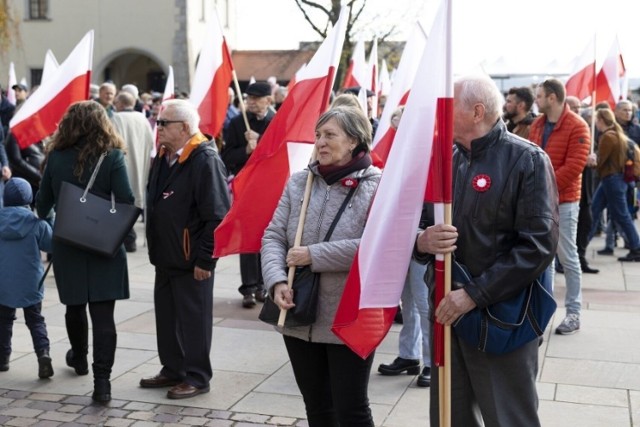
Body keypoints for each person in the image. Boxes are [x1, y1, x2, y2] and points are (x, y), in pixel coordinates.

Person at [415, 75, 559, 426]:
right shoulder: (445, 159)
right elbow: (417, 223)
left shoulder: (527, 160)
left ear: (477, 111)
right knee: (450, 415)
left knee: (507, 416)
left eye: (448, 106)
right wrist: (422, 241)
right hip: (447, 312)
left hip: (503, 317)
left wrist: (474, 295)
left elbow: (538, 246)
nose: (440, 113)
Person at [261, 106, 382, 426]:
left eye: (330, 135)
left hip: (348, 316)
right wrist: (276, 282)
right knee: (317, 407)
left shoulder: (377, 186)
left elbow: (378, 247)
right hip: (298, 310)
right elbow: (273, 236)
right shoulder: (300, 181)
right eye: (318, 135)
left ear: (355, 141)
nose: (320, 142)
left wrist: (315, 255)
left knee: (352, 409)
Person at [36, 101, 135, 402]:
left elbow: (42, 207)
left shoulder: (55, 156)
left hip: (68, 244)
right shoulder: (113, 156)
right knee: (104, 316)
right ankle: (102, 383)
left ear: (68, 124)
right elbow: (128, 201)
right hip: (105, 244)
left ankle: (78, 357)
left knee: (74, 306)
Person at [141, 99, 230, 399]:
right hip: (165, 256)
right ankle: (173, 368)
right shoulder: (164, 156)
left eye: (164, 123)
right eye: (159, 122)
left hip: (192, 259)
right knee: (167, 319)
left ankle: (197, 376)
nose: (159, 127)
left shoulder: (204, 159)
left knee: (194, 321)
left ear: (184, 127)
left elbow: (217, 215)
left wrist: (206, 259)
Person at [529, 78, 590, 335]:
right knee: (545, 259)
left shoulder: (577, 126)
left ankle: (573, 313)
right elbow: (530, 157)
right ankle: (544, 312)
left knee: (567, 256)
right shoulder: (537, 124)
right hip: (538, 201)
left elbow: (575, 167)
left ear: (552, 97)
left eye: (540, 96)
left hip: (563, 203)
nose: (537, 100)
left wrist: (544, 188)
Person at [222, 82, 275, 308]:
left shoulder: (276, 122)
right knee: (247, 236)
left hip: (270, 188)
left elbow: (281, 153)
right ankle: (248, 287)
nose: (251, 102)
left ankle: (264, 285)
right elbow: (225, 156)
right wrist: (246, 150)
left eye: (257, 98)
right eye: (249, 97)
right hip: (245, 187)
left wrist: (260, 143)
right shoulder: (236, 123)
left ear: (268, 100)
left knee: (268, 237)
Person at [0, 178, 53, 378]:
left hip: (3, 282)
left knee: (4, 321)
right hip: (31, 282)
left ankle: (3, 358)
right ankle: (43, 354)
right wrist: (49, 220)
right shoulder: (35, 222)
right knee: (35, 320)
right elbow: (50, 245)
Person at [588, 108, 640, 261]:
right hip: (614, 180)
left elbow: (600, 163)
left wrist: (591, 161)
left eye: (597, 120)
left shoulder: (608, 137)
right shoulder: (616, 135)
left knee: (620, 215)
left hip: (612, 180)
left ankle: (637, 247)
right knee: (595, 211)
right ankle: (581, 245)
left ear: (601, 121)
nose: (596, 123)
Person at [111, 91, 154, 252]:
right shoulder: (143, 119)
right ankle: (129, 236)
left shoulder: (115, 119)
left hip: (123, 165)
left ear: (121, 104)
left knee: (122, 201)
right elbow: (150, 144)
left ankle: (129, 237)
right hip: (140, 163)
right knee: (135, 198)